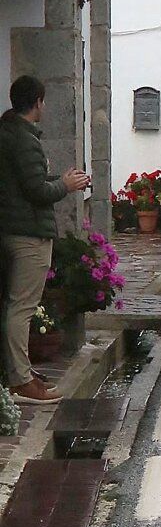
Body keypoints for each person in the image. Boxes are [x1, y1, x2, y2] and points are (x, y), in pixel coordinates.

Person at [0, 74, 91, 405]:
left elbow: (28, 181)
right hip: (28, 234)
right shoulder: (24, 139)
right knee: (21, 307)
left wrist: (62, 180)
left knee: (14, 305)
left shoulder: (8, 133)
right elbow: (36, 191)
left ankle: (18, 372)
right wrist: (66, 186)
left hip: (13, 228)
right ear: (38, 102)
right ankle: (21, 380)